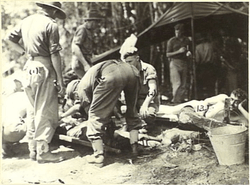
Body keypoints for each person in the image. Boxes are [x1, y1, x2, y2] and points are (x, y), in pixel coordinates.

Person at [5, 2, 66, 163]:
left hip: (29, 66)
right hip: (44, 66)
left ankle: (32, 149)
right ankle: (43, 152)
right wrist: (60, 79)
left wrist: (24, 52)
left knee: (32, 109)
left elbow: (9, 38)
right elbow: (54, 54)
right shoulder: (50, 24)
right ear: (53, 10)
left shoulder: (26, 21)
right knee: (46, 109)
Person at [60, 59, 144, 167]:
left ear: (75, 94)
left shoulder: (81, 89)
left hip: (112, 74)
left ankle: (98, 156)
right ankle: (135, 148)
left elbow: (93, 114)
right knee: (132, 110)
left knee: (94, 116)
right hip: (131, 71)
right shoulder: (91, 79)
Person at [119, 34, 160, 127]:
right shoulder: (127, 70)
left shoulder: (149, 69)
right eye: (126, 62)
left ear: (137, 58)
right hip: (132, 101)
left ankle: (144, 128)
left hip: (146, 100)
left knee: (148, 114)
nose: (128, 65)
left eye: (130, 62)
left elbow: (153, 90)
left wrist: (145, 105)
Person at [158, 88, 248, 127]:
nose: (232, 102)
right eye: (231, 99)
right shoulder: (223, 98)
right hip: (198, 108)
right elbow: (206, 101)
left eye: (236, 102)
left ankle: (153, 115)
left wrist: (240, 107)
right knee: (172, 110)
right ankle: (149, 108)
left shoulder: (237, 115)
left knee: (173, 118)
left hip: (202, 121)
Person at [71, 9, 102, 78]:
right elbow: (75, 47)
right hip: (80, 63)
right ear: (91, 21)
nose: (97, 25)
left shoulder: (89, 31)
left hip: (86, 61)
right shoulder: (82, 29)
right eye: (96, 22)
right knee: (89, 84)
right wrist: (85, 64)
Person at [166, 23, 191, 103]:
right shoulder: (171, 41)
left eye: (179, 32)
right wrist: (178, 51)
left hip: (184, 62)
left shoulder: (186, 40)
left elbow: (190, 50)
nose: (177, 33)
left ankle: (180, 99)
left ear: (182, 32)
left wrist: (189, 53)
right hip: (174, 62)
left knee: (183, 84)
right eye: (176, 31)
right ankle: (175, 100)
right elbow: (168, 54)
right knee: (177, 83)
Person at [195, 33, 220, 99]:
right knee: (210, 86)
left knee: (200, 85)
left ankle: (201, 99)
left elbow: (197, 60)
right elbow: (215, 57)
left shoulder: (197, 47)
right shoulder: (211, 46)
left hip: (201, 67)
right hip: (210, 67)